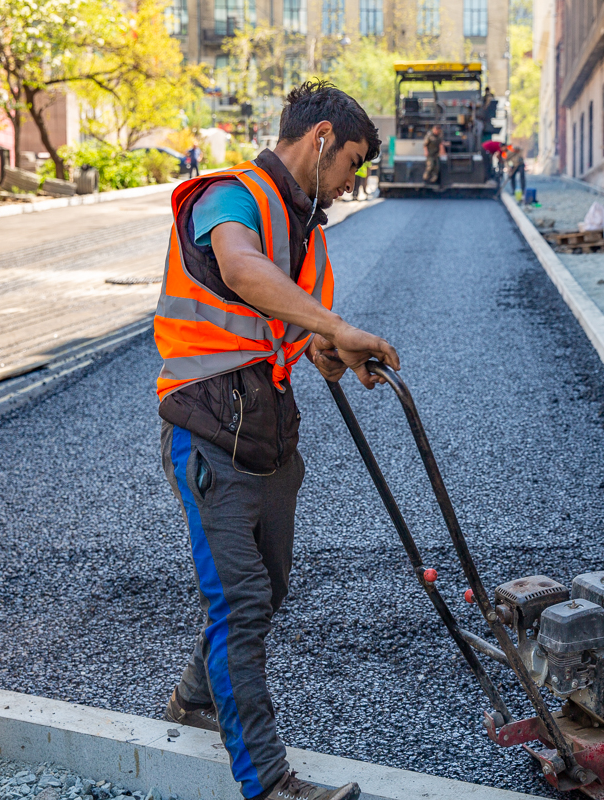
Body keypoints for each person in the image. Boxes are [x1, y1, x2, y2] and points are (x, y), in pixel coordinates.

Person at [155, 79, 398, 800]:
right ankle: (267, 782)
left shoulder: (305, 228)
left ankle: (196, 699)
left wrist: (332, 350)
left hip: (268, 435)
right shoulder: (230, 197)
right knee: (243, 605)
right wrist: (332, 326)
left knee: (269, 589)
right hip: (207, 431)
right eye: (351, 161)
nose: (352, 181)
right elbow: (239, 267)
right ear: (321, 138)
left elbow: (290, 331)